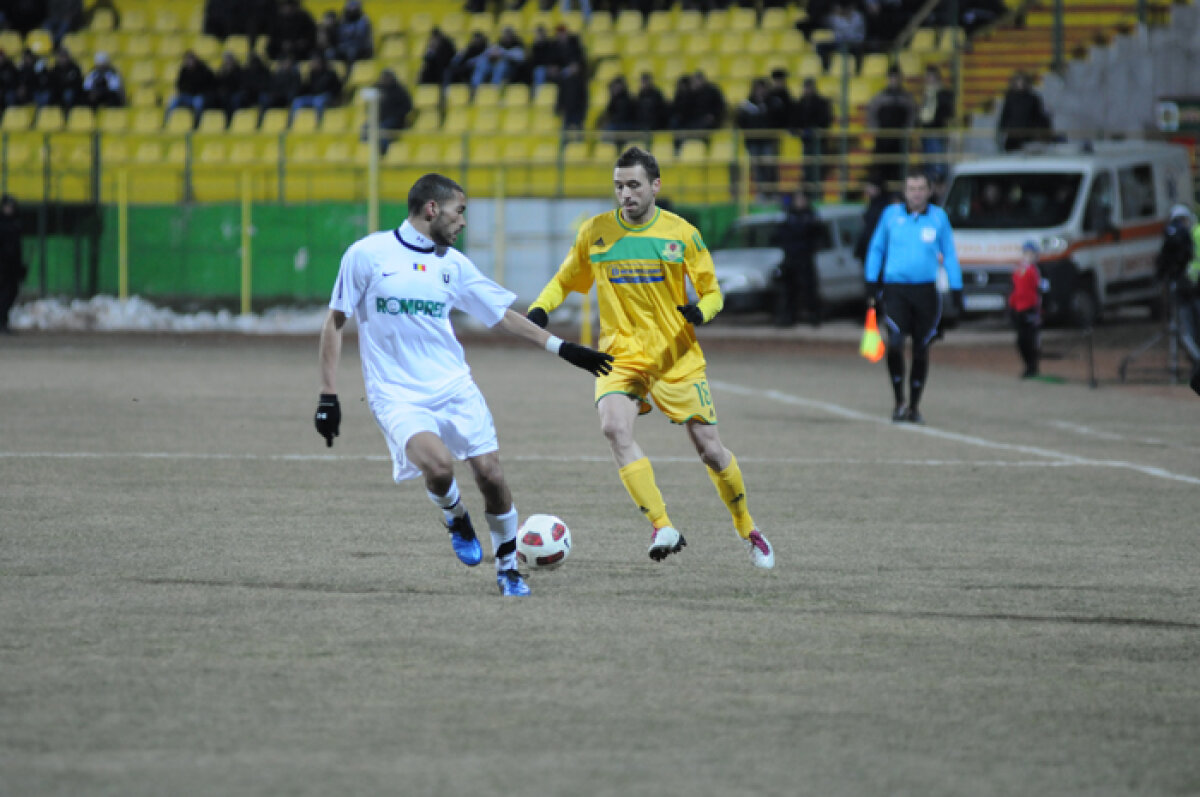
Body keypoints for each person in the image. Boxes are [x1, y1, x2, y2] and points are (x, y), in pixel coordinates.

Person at [314, 173, 614, 596]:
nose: (464, 222)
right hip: (396, 393)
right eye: (460, 211)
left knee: (490, 475)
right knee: (437, 467)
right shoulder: (367, 254)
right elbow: (335, 321)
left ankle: (508, 569)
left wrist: (563, 349)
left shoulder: (453, 265)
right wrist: (328, 396)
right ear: (432, 209)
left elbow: (502, 315)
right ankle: (455, 515)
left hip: (454, 387)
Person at [524, 146, 776, 570]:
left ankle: (748, 528)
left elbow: (713, 291)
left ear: (655, 186)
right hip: (619, 356)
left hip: (675, 357)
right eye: (619, 186)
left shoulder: (681, 234)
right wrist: (540, 308)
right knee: (613, 427)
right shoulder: (596, 232)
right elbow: (564, 280)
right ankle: (662, 526)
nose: (625, 194)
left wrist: (702, 311)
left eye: (634, 185)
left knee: (711, 451)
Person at [864, 171, 963, 424]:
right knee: (895, 342)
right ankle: (899, 400)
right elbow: (877, 248)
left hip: (926, 291)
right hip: (896, 289)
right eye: (912, 188)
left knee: (921, 348)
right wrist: (871, 281)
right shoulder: (891, 216)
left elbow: (949, 254)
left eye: (921, 188)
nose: (916, 193)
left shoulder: (939, 218)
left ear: (929, 191)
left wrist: (957, 288)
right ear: (905, 191)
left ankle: (915, 405)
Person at [1157, 204, 1200, 363]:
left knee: (1190, 326)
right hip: (1184, 287)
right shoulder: (1180, 236)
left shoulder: (1195, 233)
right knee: (1187, 326)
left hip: (1192, 287)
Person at [774, 190, 823, 327]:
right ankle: (788, 317)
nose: (800, 202)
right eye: (797, 199)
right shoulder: (788, 216)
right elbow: (779, 235)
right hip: (791, 258)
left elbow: (818, 236)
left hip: (805, 258)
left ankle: (814, 317)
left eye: (802, 199)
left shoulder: (811, 216)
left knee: (809, 289)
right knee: (789, 290)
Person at [865, 67, 916, 188]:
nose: (894, 81)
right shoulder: (880, 96)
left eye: (896, 78)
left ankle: (898, 194)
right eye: (891, 78)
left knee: (899, 169)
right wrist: (875, 129)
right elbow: (871, 113)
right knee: (881, 168)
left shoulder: (907, 97)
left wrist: (909, 129)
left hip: (900, 140)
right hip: (883, 139)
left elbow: (912, 115)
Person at [1008, 240, 1042, 378]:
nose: (1028, 256)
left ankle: (1033, 366)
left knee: (1031, 339)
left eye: (1031, 253)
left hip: (1030, 309)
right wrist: (1012, 305)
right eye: (1026, 253)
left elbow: (1038, 290)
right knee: (1021, 340)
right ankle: (1028, 365)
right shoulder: (1018, 270)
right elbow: (1015, 290)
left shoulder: (1035, 271)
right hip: (1019, 309)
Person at [997, 71, 1050, 152]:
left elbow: (1039, 116)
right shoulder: (1010, 98)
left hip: (1028, 135)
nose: (1020, 83)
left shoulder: (1033, 99)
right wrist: (1002, 129)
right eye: (1018, 80)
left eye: (1023, 81)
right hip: (1013, 135)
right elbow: (1005, 116)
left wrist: (1039, 132)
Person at [918, 66, 954, 183]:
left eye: (930, 77)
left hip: (938, 131)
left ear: (936, 78)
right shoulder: (926, 94)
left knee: (938, 161)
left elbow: (947, 112)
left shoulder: (944, 93)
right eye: (927, 77)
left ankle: (939, 182)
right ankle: (930, 182)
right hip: (926, 131)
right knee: (928, 160)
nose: (928, 80)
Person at [0, 194, 25, 335]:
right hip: (2, 267)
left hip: (11, 268)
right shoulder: (3, 225)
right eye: (7, 206)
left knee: (10, 294)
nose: (9, 209)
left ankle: (3, 321)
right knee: (3, 295)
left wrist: (19, 268)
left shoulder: (16, 224)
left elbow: (16, 250)